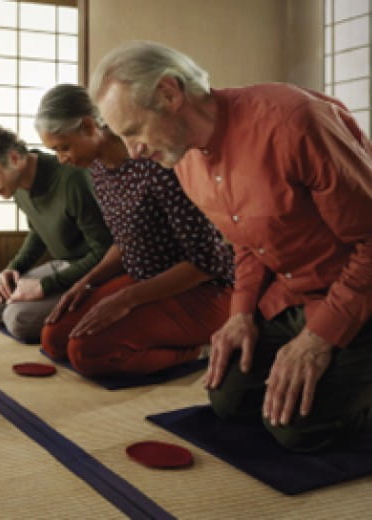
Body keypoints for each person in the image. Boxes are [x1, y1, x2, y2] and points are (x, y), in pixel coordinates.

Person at [90, 40, 372, 452]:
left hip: (357, 297)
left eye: (133, 132)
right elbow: (245, 245)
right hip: (291, 296)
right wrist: (239, 315)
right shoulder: (182, 157)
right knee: (231, 400)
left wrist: (318, 338)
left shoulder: (293, 121)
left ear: (169, 93)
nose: (133, 151)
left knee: (298, 428)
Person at [36, 84, 233, 377]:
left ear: (90, 127)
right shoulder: (98, 170)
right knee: (54, 338)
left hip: (201, 289)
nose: (62, 159)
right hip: (143, 280)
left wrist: (125, 300)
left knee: (88, 353)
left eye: (64, 147)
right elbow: (125, 240)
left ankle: (201, 349)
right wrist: (87, 282)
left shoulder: (158, 164)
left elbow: (209, 261)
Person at [0, 125, 112, 342]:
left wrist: (46, 285)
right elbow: (38, 231)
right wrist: (14, 267)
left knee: (19, 320)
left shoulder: (71, 180)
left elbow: (104, 251)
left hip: (94, 272)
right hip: (64, 265)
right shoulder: (18, 181)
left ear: (14, 159)